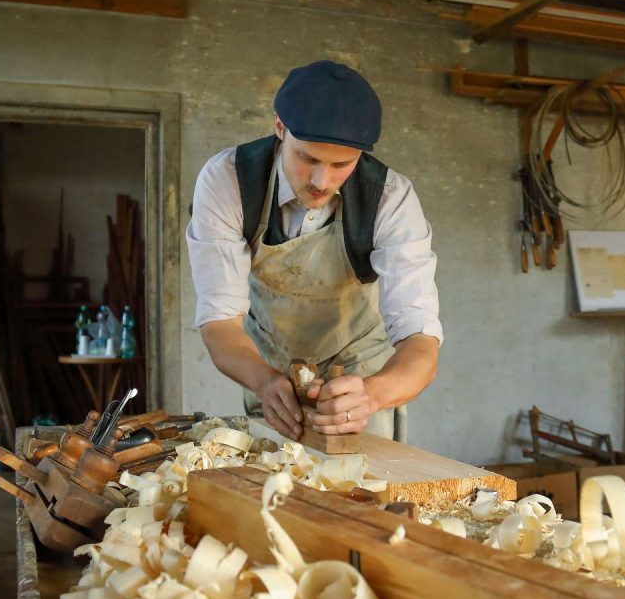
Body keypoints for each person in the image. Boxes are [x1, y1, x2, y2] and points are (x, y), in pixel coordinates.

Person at [187, 60, 442, 442]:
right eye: (307, 158)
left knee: (365, 475)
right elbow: (219, 322)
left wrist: (371, 395)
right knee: (272, 474)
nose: (322, 181)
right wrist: (264, 381)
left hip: (360, 363)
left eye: (342, 164)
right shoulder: (229, 181)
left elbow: (420, 342)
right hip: (269, 361)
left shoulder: (390, 199)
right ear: (279, 127)